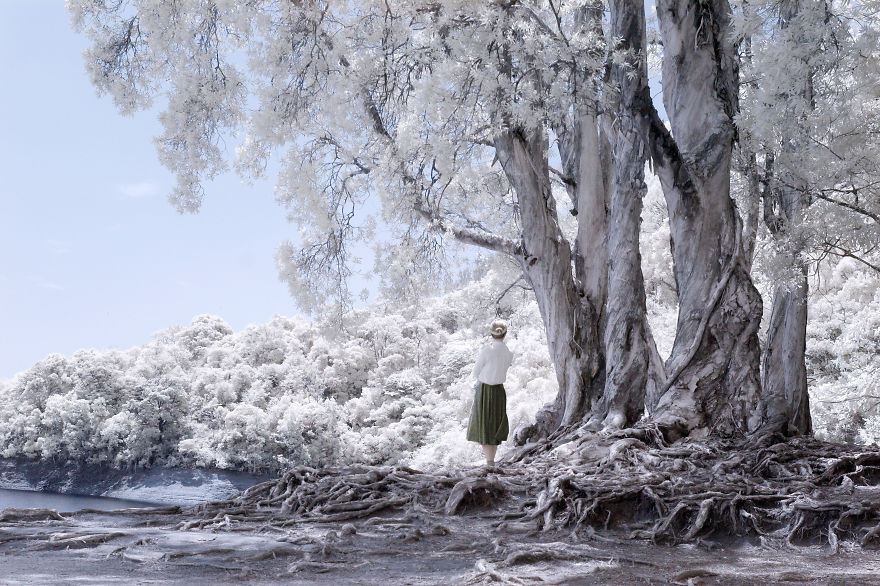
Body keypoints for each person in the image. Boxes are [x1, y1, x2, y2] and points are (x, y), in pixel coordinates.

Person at [467, 320, 513, 467]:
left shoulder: (487, 350)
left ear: (491, 334)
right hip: (499, 391)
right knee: (494, 427)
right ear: (504, 334)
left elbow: (475, 372)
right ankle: (490, 462)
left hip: (485, 390)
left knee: (485, 427)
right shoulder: (508, 353)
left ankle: (489, 463)